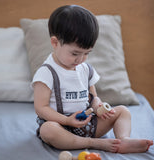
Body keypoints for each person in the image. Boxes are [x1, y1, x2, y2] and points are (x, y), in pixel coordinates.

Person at [32, 5, 153, 153]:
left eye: (86, 53)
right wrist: (67, 120)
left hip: (87, 124)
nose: (81, 59)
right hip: (60, 126)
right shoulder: (47, 72)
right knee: (48, 130)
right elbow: (41, 107)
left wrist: (98, 106)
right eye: (75, 53)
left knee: (123, 111)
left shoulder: (85, 69)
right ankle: (94, 143)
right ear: (55, 43)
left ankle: (122, 140)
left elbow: (93, 96)